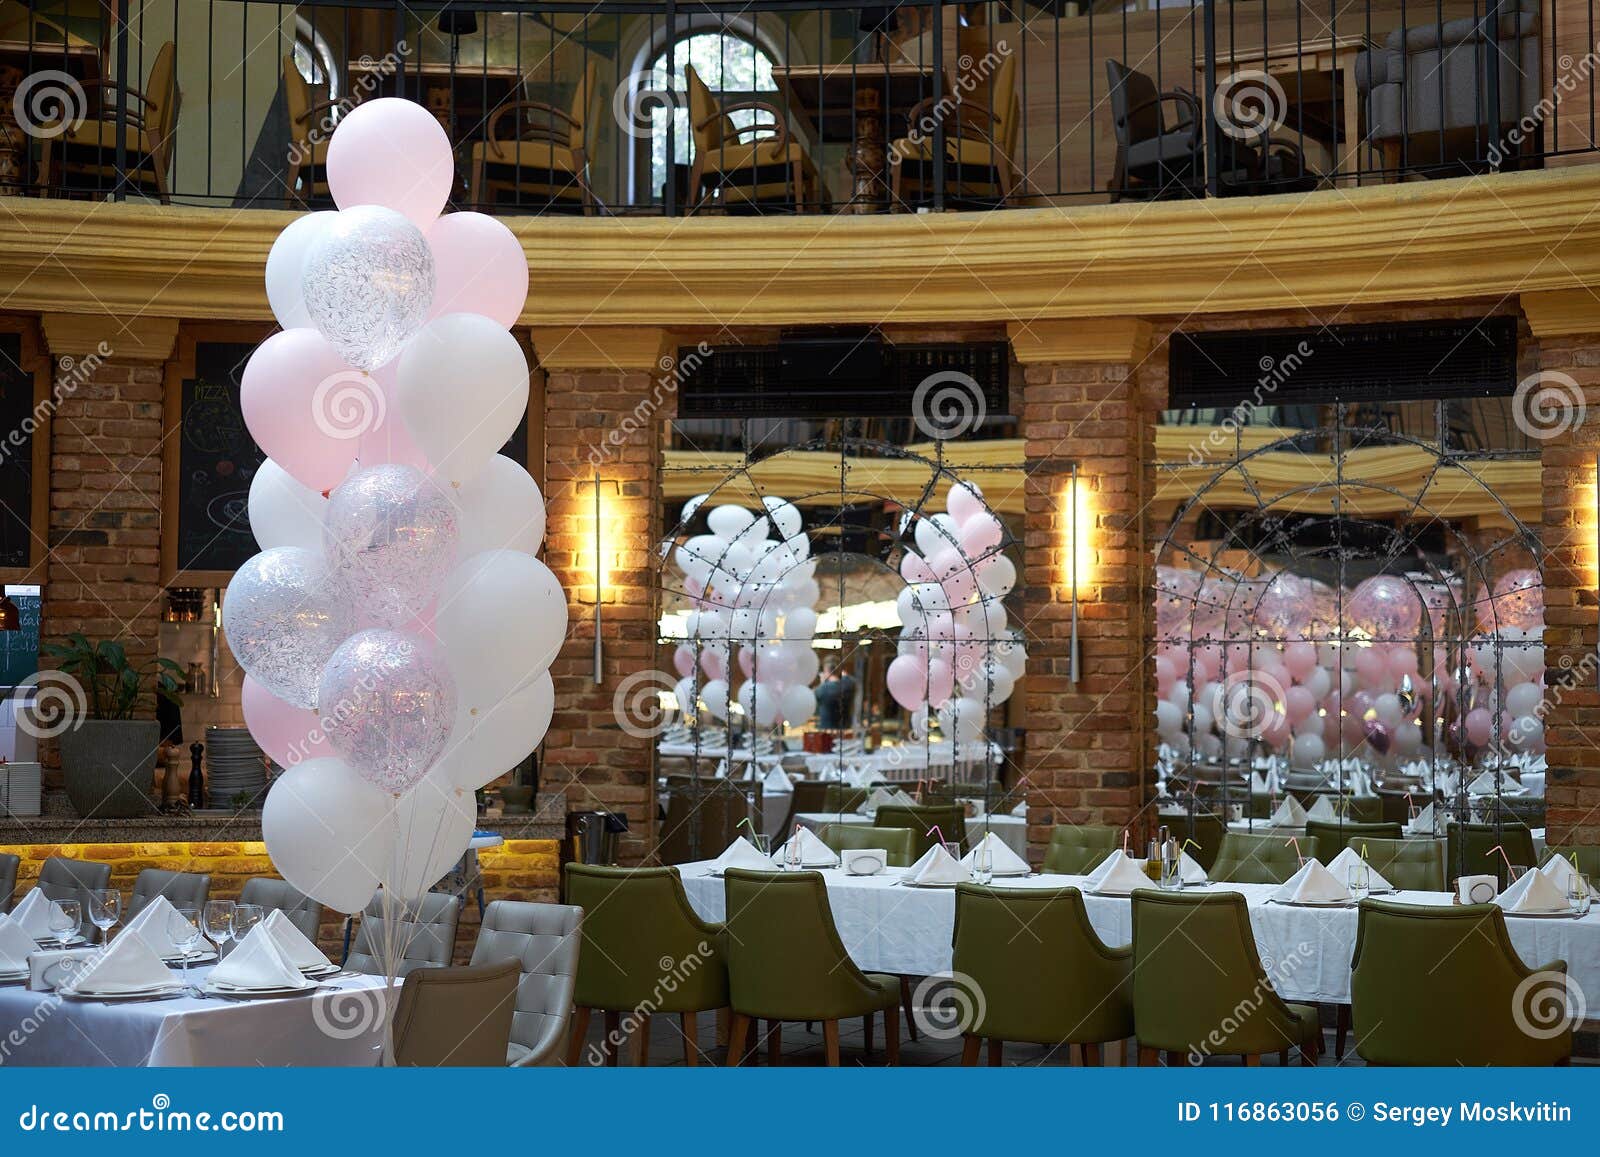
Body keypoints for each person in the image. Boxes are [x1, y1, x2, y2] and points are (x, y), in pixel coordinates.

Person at [815, 656, 858, 730]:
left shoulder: (820, 690)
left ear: (825, 669)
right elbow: (849, 679)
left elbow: (816, 710)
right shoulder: (849, 686)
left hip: (826, 733)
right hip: (845, 732)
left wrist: (823, 683)